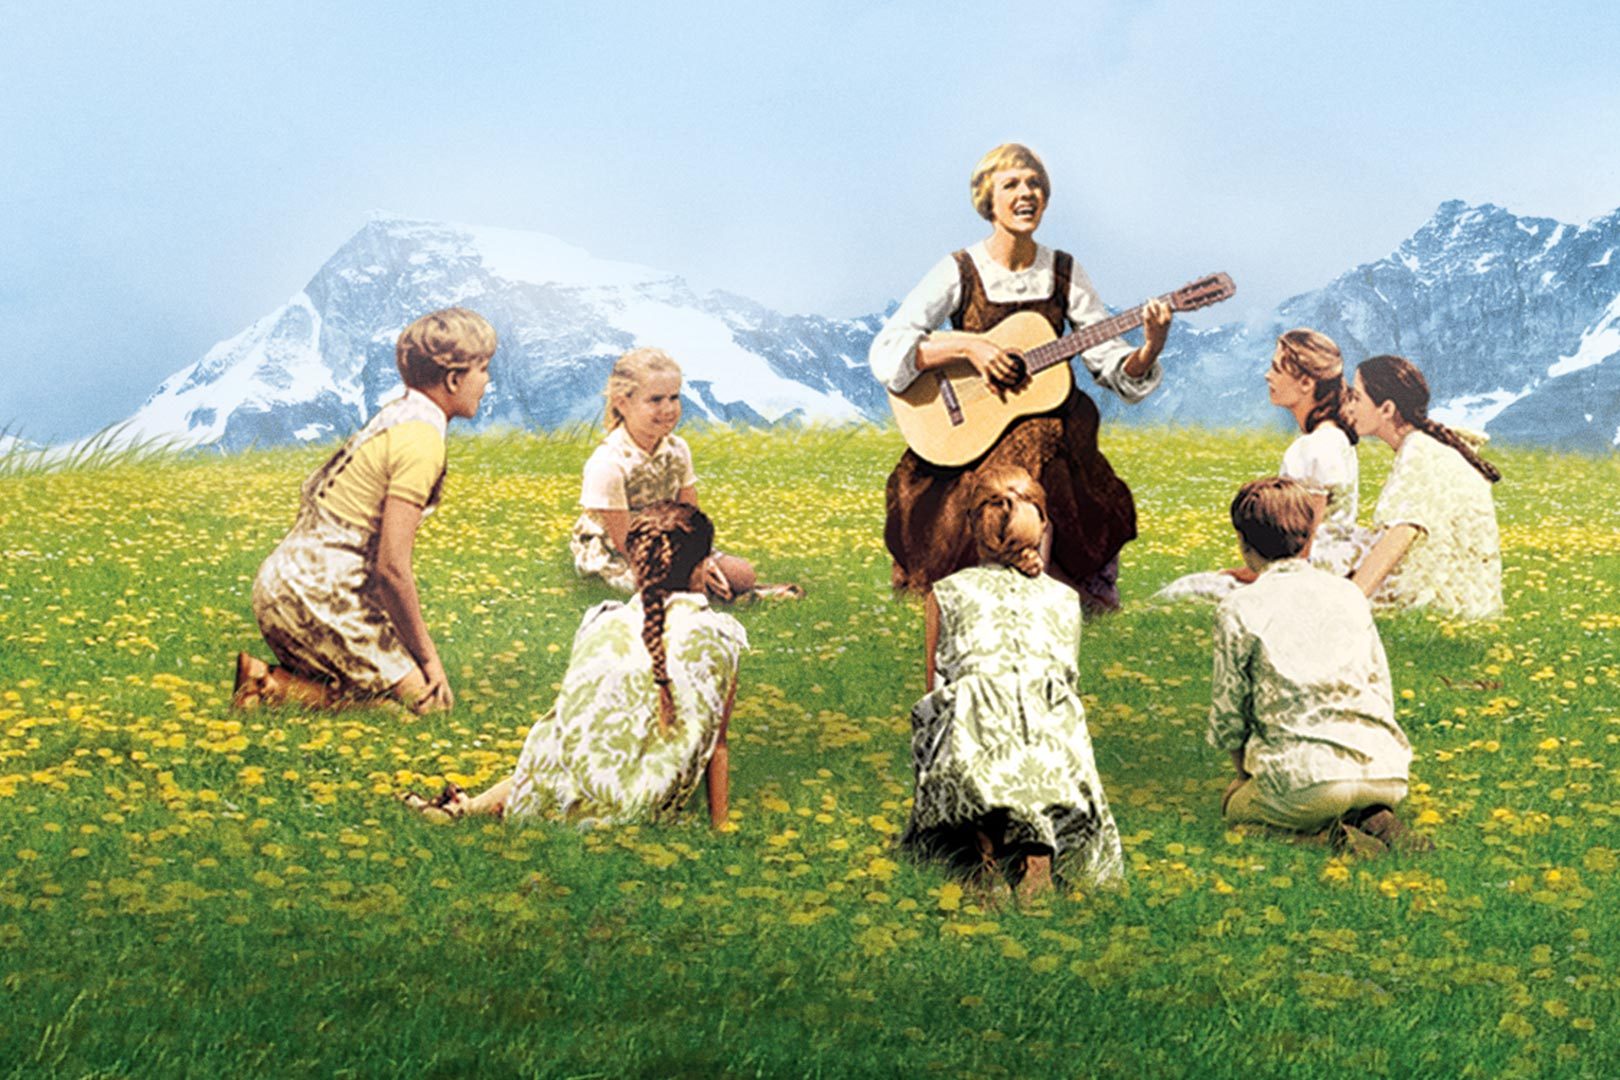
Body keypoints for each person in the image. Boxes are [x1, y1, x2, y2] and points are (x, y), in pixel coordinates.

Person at [869, 142, 1172, 611]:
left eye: (1035, 185)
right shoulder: (959, 270)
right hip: (971, 433)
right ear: (987, 200)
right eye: (1011, 184)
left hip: (1055, 430)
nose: (1026, 193)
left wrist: (1150, 347)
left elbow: (1107, 361)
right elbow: (888, 351)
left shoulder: (1065, 272)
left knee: (1045, 447)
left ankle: (1043, 587)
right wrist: (970, 347)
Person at [400, 503, 746, 827]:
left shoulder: (602, 621)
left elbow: (575, 725)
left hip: (567, 790)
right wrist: (721, 826)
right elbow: (717, 745)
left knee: (567, 745)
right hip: (644, 806)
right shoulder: (721, 637)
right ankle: (468, 807)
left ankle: (469, 807)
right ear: (703, 566)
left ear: (636, 565)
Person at [233, 307, 496, 712]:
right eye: (483, 369)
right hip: (319, 596)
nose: (487, 381)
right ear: (453, 379)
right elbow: (392, 569)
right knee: (429, 707)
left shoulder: (394, 417)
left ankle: (268, 682)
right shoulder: (422, 443)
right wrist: (428, 658)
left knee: (382, 690)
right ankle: (274, 689)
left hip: (284, 585)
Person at [900, 466, 1124, 900]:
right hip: (1057, 763)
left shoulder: (947, 593)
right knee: (1040, 715)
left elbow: (934, 690)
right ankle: (1038, 856)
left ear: (973, 527)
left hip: (975, 765)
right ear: (1042, 524)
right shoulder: (1064, 599)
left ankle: (983, 852)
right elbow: (1066, 677)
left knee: (951, 717)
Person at [1209, 477, 1418, 853]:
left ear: (1243, 541)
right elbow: (1380, 687)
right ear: (1310, 535)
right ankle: (1373, 816)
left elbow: (1229, 714)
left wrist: (1243, 778)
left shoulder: (1238, 607)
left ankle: (1324, 840)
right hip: (1385, 771)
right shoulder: (1349, 595)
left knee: (1234, 809)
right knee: (1340, 791)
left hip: (1309, 781)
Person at [570, 347, 797, 601]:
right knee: (673, 584)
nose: (668, 409)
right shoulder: (609, 463)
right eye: (656, 400)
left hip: (671, 539)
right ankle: (741, 598)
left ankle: (734, 590)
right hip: (621, 550)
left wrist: (699, 559)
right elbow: (623, 542)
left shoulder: (677, 450)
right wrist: (686, 568)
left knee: (742, 573)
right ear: (622, 404)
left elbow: (690, 516)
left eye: (674, 397)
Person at [1154, 328, 1360, 602]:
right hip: (1333, 572)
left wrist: (1248, 574)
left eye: (1277, 369)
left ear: (1306, 383)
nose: (1267, 376)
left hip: (1303, 584)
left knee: (1180, 591)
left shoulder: (1311, 448)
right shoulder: (1337, 437)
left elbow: (1300, 546)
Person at [1344, 354, 1503, 619]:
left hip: (1442, 599)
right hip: (1464, 594)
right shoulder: (1424, 444)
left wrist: (1348, 601)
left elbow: (1400, 536)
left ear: (1386, 409)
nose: (1349, 407)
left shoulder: (1419, 451)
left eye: (1356, 398)